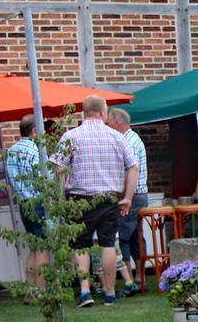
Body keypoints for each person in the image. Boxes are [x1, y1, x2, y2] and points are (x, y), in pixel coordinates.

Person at [51, 95, 137, 308]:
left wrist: (61, 197)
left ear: (83, 112)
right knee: (108, 244)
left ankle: (85, 291)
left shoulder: (71, 136)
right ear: (102, 112)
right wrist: (127, 197)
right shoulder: (117, 137)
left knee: (80, 245)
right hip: (109, 198)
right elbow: (133, 167)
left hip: (80, 199)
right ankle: (109, 293)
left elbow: (59, 168)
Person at [4, 115, 49, 289]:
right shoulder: (36, 151)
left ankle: (30, 290)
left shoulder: (11, 151)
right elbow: (42, 178)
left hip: (23, 202)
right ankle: (41, 289)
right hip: (38, 201)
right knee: (43, 248)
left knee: (34, 247)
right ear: (34, 130)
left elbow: (10, 179)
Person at [107, 107, 148, 296]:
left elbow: (129, 171)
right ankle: (139, 277)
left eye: (108, 123)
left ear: (117, 123)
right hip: (138, 195)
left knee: (122, 237)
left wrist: (124, 198)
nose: (107, 126)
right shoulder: (132, 138)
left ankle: (129, 281)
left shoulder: (127, 141)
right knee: (134, 237)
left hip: (131, 195)